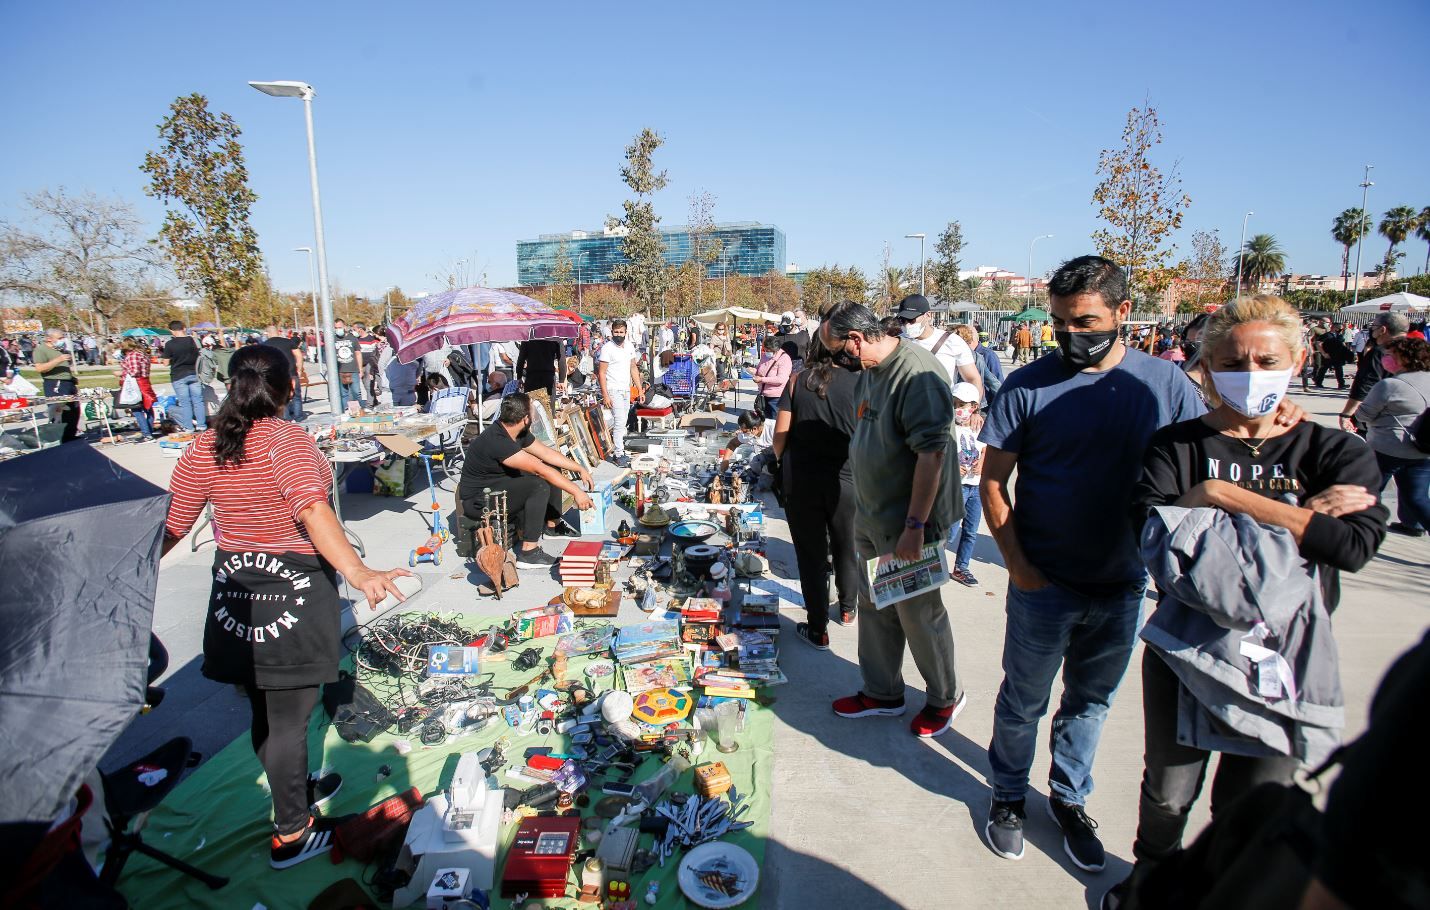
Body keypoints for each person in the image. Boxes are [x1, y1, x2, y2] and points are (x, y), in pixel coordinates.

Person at [1107, 295, 1389, 909]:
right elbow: (1152, 537)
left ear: (1299, 359)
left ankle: (1227, 888)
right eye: (1234, 360)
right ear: (1206, 367)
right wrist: (1297, 519)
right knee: (1167, 789)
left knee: (1256, 797)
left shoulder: (1334, 451)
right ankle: (1149, 877)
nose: (1252, 371)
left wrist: (1223, 500)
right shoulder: (1176, 447)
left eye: (1268, 359)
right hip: (1187, 648)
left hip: (1284, 658)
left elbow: (1349, 545)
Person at [978, 255, 1209, 869]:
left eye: (1085, 321)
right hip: (1043, 584)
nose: (1070, 336)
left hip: (1124, 587)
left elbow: (1203, 472)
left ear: (1123, 314)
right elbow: (993, 484)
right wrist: (1020, 566)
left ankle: (1068, 798)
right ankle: (1007, 794)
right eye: (1060, 323)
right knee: (1023, 700)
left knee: (1090, 701)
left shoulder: (1165, 386)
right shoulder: (1026, 385)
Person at [161, 344, 412, 869]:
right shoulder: (288, 442)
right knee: (289, 721)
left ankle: (292, 790)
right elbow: (313, 509)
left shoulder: (205, 444)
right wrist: (360, 572)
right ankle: (292, 834)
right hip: (290, 593)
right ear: (291, 387)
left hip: (235, 592)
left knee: (265, 710)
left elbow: (173, 525)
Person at [819, 301, 968, 739]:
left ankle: (945, 697)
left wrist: (915, 527)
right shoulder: (870, 373)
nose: (836, 361)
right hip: (873, 517)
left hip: (909, 525)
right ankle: (882, 692)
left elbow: (932, 454)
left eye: (837, 351)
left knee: (918, 611)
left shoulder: (916, 375)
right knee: (875, 605)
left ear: (857, 339)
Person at [772, 339, 861, 648]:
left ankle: (818, 628)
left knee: (811, 556)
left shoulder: (798, 381)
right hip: (848, 479)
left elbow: (780, 435)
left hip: (803, 480)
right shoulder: (860, 382)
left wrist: (780, 460)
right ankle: (848, 609)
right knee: (846, 546)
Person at [457, 393, 592, 569]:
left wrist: (579, 467)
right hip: (478, 501)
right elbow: (539, 470)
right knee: (539, 484)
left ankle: (553, 525)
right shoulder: (497, 440)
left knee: (551, 468)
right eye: (533, 411)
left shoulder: (515, 431)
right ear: (525, 418)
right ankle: (529, 552)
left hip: (497, 486)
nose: (535, 414)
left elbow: (547, 454)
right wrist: (577, 491)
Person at [1356, 336, 1430, 536]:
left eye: (1390, 355)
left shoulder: (1390, 385)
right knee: (1418, 497)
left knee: (1370, 490)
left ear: (1404, 358)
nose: (1385, 359)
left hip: (1387, 447)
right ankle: (1413, 525)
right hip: (1423, 448)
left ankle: (1364, 529)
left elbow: (1364, 414)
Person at [895, 295, 983, 404]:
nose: (907, 324)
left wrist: (974, 409)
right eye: (902, 320)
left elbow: (972, 378)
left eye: (911, 320)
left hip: (942, 411)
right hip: (906, 410)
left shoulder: (952, 342)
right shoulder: (897, 342)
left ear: (928, 315)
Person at [945, 382, 986, 586]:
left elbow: (986, 449)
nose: (959, 409)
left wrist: (982, 463)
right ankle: (932, 563)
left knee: (970, 530)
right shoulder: (947, 427)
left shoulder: (979, 426)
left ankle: (962, 567)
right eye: (956, 403)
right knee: (950, 531)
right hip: (956, 487)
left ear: (975, 407)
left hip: (976, 486)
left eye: (964, 404)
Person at [1340, 312, 1408, 433]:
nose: (1372, 330)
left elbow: (1365, 385)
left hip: (1381, 419)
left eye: (1374, 327)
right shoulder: (1418, 350)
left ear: (1383, 329)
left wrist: (1347, 414)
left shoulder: (1380, 352)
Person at [597, 319, 640, 466]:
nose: (619, 335)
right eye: (616, 332)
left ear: (626, 332)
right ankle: (618, 453)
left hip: (626, 389)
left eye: (621, 332)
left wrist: (639, 389)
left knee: (623, 421)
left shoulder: (629, 346)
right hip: (613, 388)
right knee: (619, 420)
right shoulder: (607, 348)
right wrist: (605, 395)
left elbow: (633, 367)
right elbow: (601, 373)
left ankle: (620, 449)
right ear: (612, 332)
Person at [32, 329, 80, 442]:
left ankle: (70, 436)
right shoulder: (41, 350)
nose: (62, 340)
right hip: (55, 384)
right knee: (60, 411)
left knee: (73, 410)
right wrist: (58, 359)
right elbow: (39, 368)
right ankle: (58, 438)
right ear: (49, 338)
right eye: (59, 338)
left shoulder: (59, 349)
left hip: (68, 383)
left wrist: (71, 378)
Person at [163, 321, 206, 432]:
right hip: (195, 373)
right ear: (184, 328)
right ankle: (201, 425)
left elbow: (165, 363)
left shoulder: (170, 344)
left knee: (185, 403)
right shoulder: (195, 341)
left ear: (171, 331)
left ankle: (189, 427)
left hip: (178, 375)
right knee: (198, 401)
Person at [116, 338, 158, 440]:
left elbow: (134, 372)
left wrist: (122, 371)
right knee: (148, 408)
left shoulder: (132, 355)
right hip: (145, 382)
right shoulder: (143, 354)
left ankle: (146, 433)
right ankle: (149, 430)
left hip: (137, 384)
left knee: (136, 409)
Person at [954, 323, 1003, 406]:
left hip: (973, 405)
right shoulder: (950, 356)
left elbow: (994, 382)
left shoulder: (982, 356)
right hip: (960, 404)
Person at [262, 324, 304, 422]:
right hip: (292, 372)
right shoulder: (288, 342)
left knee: (281, 397)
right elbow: (299, 355)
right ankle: (299, 417)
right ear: (278, 332)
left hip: (276, 375)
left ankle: (285, 418)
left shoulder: (264, 345)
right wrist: (299, 369)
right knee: (297, 395)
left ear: (268, 333)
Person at [753, 336, 792, 420]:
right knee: (763, 421)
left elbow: (781, 379)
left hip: (776, 397)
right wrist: (754, 372)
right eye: (765, 350)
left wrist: (762, 379)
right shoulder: (764, 356)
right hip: (763, 394)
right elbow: (760, 369)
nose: (767, 352)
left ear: (776, 349)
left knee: (774, 422)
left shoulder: (784, 358)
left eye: (769, 351)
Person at [330, 319, 363, 411]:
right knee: (343, 393)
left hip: (353, 369)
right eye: (336, 328)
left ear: (344, 327)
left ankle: (358, 410)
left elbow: (358, 353)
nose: (338, 329)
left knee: (356, 392)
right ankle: (346, 410)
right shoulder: (332, 339)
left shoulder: (352, 338)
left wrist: (360, 369)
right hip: (339, 371)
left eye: (339, 327)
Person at [1314, 322, 1354, 390]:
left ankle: (1341, 384)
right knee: (1323, 369)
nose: (1341, 330)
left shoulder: (1339, 336)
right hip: (1329, 355)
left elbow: (1342, 344)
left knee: (1339, 370)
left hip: (1338, 355)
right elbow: (1318, 343)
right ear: (1334, 328)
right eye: (1339, 328)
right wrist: (1323, 353)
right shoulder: (1327, 335)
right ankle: (1318, 382)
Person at [355, 324, 381, 403]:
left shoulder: (372, 339)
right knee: (366, 385)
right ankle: (374, 400)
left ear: (360, 329)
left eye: (354, 329)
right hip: (361, 365)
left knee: (368, 384)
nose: (354, 331)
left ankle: (369, 404)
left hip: (370, 365)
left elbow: (378, 351)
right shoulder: (356, 340)